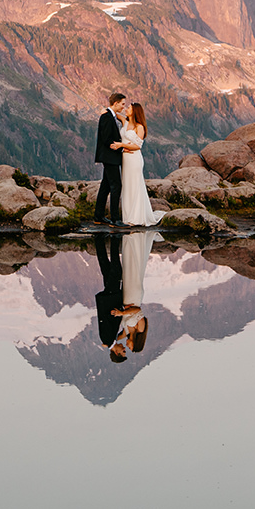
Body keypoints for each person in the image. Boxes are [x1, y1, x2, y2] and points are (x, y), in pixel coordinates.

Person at [110, 230, 157, 362]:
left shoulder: (127, 333)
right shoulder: (140, 330)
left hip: (126, 299)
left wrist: (109, 344)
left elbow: (114, 340)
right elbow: (138, 311)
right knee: (133, 273)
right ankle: (134, 242)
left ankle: (128, 243)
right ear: (135, 345)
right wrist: (122, 313)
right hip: (134, 297)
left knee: (126, 273)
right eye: (130, 349)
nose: (127, 348)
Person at [115, 102, 161, 227]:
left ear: (134, 111)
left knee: (135, 185)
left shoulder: (139, 127)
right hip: (125, 159)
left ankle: (136, 217)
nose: (126, 109)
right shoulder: (125, 122)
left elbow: (137, 146)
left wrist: (121, 145)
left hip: (134, 159)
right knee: (127, 185)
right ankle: (128, 216)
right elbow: (114, 113)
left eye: (128, 108)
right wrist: (106, 110)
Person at [93, 92, 125, 226]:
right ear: (116, 103)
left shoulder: (109, 115)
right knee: (116, 185)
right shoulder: (106, 117)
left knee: (105, 187)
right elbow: (106, 138)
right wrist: (119, 147)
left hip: (109, 157)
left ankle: (98, 216)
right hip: (110, 157)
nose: (124, 106)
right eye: (122, 104)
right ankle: (115, 219)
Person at [94, 234, 123, 355]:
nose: (124, 349)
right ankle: (98, 238)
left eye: (123, 352)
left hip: (111, 297)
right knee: (105, 265)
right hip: (108, 296)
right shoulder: (111, 339)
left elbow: (104, 321)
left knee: (116, 266)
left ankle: (115, 237)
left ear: (117, 353)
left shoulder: (107, 339)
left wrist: (115, 313)